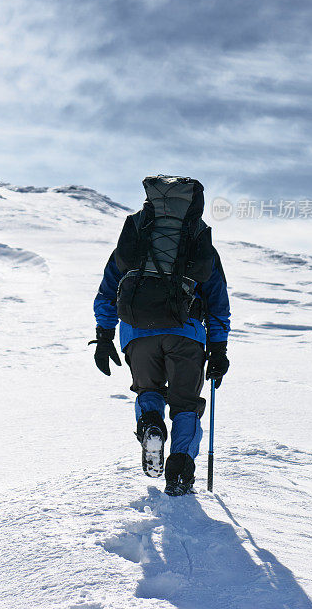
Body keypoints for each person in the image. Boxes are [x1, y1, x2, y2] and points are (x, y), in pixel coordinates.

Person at [90, 175, 230, 496]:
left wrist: (104, 335)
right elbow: (217, 300)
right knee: (185, 405)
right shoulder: (196, 237)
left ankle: (151, 423)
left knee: (148, 390)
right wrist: (219, 348)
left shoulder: (137, 234)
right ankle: (180, 468)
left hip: (137, 332)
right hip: (187, 333)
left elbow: (108, 289)